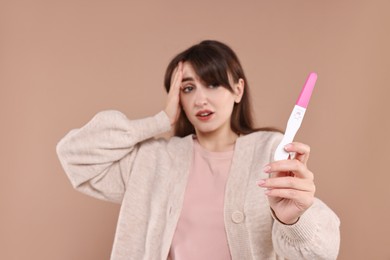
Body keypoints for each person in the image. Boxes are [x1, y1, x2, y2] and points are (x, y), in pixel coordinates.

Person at [56, 40, 340, 260]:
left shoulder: (271, 150)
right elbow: (74, 153)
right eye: (188, 88)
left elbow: (321, 253)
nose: (201, 99)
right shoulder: (154, 160)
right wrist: (161, 120)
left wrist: (292, 220)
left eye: (213, 84)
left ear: (238, 90)